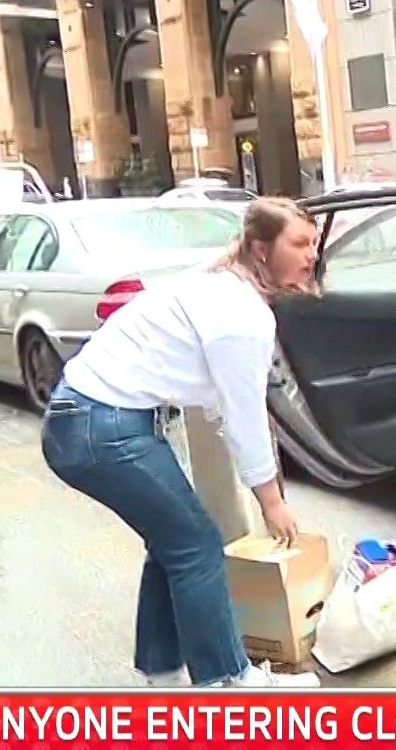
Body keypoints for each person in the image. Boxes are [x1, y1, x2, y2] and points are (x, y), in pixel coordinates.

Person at [39, 197, 322, 688]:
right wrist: (272, 501)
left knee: (173, 540)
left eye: (314, 244)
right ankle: (227, 681)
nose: (311, 255)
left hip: (86, 418)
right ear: (261, 248)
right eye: (299, 243)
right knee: (197, 544)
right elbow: (244, 415)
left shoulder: (219, 282)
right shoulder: (241, 314)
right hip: (101, 426)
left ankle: (163, 673)